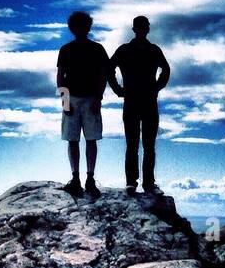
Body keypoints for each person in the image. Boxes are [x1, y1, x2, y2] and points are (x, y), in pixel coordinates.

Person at [109, 15, 170, 195]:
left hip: (149, 102)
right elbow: (108, 69)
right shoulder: (125, 50)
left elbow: (166, 69)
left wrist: (157, 87)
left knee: (149, 145)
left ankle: (149, 183)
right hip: (132, 102)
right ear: (135, 29)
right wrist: (118, 90)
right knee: (132, 144)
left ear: (147, 29)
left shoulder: (153, 50)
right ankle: (131, 182)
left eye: (145, 26)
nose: (143, 29)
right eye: (141, 26)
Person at [55, 10, 112, 198]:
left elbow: (103, 75)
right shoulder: (66, 49)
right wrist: (65, 101)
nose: (80, 29)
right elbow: (60, 76)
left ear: (88, 27)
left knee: (91, 139)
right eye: (77, 26)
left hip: (90, 99)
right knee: (72, 139)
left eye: (83, 25)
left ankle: (89, 179)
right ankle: (76, 178)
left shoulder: (97, 49)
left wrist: (98, 97)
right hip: (72, 99)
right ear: (72, 28)